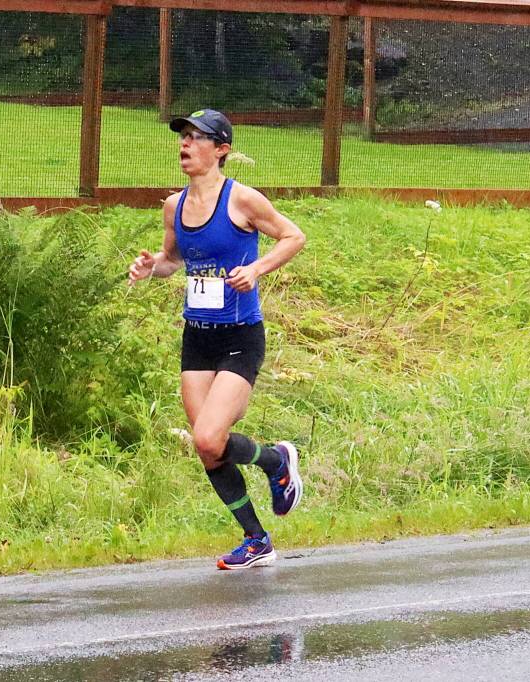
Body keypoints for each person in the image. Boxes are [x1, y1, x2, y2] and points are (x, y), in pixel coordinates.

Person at [128, 109, 307, 570]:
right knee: (206, 446)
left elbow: (293, 236)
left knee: (210, 433)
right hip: (198, 338)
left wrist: (256, 269)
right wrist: (151, 268)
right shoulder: (174, 206)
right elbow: (172, 260)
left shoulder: (243, 200)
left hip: (240, 336)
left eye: (196, 138)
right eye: (183, 137)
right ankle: (257, 534)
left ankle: (275, 464)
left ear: (221, 149)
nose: (185, 145)